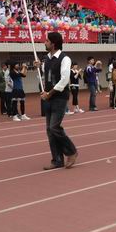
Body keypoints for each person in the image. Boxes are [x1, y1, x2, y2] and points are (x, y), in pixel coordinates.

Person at [40, 31, 78, 170]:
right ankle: (57, 159)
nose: (44, 43)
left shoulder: (65, 59)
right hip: (48, 97)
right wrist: (39, 66)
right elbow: (47, 75)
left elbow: (64, 80)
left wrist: (49, 94)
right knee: (49, 131)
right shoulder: (47, 59)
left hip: (59, 98)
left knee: (54, 127)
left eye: (47, 41)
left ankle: (71, 151)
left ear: (53, 43)